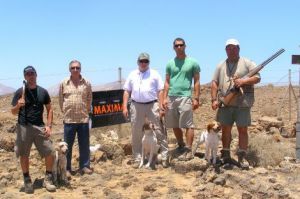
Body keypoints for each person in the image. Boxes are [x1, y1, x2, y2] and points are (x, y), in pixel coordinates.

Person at [211, 38, 261, 169]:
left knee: (243, 130)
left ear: (239, 49)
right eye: (229, 48)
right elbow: (214, 82)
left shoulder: (247, 62)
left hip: (242, 104)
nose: (231, 50)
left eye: (234, 48)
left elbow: (257, 77)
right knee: (226, 130)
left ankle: (242, 157)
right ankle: (226, 155)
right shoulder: (221, 65)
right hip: (225, 104)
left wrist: (243, 82)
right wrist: (213, 99)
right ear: (225, 50)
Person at [11, 66, 56, 194]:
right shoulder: (20, 92)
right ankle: (27, 180)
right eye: (28, 74)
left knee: (50, 152)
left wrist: (48, 126)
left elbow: (50, 109)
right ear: (25, 77)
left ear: (36, 75)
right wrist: (18, 106)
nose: (31, 76)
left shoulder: (43, 92)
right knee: (24, 154)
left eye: (32, 73)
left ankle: (47, 178)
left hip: (39, 127)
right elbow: (13, 112)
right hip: (23, 127)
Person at [123, 52, 168, 168]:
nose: (143, 63)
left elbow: (160, 91)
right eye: (141, 61)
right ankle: (138, 158)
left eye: (146, 61)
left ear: (149, 62)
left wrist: (161, 106)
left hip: (152, 105)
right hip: (136, 105)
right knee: (136, 131)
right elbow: (127, 91)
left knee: (159, 130)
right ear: (138, 62)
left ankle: (164, 156)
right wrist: (124, 106)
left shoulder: (155, 74)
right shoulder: (132, 74)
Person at [162, 38, 200, 161]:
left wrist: (196, 98)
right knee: (174, 124)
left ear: (185, 46)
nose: (179, 47)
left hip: (185, 96)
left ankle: (188, 150)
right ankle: (181, 145)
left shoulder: (193, 62)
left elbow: (197, 81)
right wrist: (164, 98)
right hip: (172, 97)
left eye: (181, 45)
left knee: (188, 124)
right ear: (173, 47)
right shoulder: (170, 63)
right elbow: (167, 82)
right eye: (176, 45)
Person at [59, 60, 93, 176]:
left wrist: (86, 111)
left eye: (77, 68)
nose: (75, 70)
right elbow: (60, 100)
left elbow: (89, 98)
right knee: (67, 146)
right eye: (73, 68)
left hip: (83, 119)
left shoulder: (86, 83)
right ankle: (67, 169)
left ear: (80, 69)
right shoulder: (64, 83)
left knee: (84, 144)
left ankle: (84, 166)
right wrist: (66, 111)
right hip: (69, 119)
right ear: (69, 69)